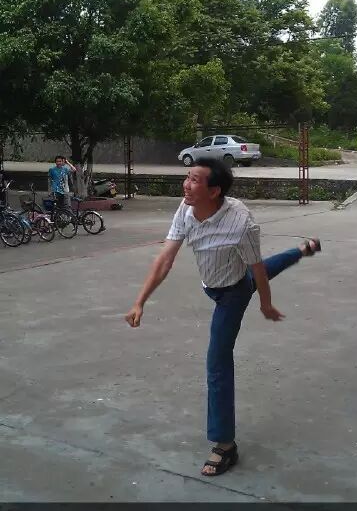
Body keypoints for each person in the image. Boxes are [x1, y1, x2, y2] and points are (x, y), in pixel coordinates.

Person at [125, 158, 322, 477]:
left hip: (233, 293)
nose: (186, 185)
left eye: (195, 180)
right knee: (263, 270)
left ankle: (225, 445)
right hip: (215, 284)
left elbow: (256, 268)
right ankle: (302, 250)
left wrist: (266, 305)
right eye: (187, 177)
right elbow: (165, 259)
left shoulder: (241, 223)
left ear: (214, 191)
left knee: (217, 361)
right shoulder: (186, 208)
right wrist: (140, 302)